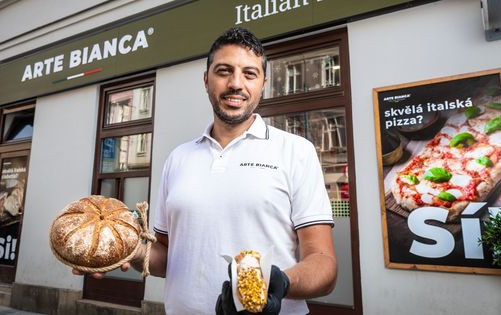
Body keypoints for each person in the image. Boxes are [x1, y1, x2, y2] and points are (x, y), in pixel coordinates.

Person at [74, 26, 337, 315]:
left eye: (249, 74)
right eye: (224, 71)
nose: (236, 84)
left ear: (263, 83)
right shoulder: (179, 158)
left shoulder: (295, 151)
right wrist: (127, 249)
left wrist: (282, 283)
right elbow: (165, 257)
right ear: (206, 79)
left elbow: (323, 262)